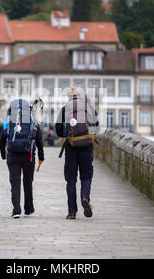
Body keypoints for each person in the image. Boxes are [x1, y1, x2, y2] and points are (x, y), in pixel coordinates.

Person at [55, 87, 99, 220]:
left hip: (71, 147)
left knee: (71, 180)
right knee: (86, 177)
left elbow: (58, 130)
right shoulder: (89, 107)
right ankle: (85, 197)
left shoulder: (65, 109)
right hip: (87, 147)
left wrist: (68, 133)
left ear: (69, 97)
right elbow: (97, 127)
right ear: (80, 96)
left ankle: (72, 212)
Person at [0, 99, 44, 219]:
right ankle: (28, 209)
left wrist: (4, 155)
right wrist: (41, 156)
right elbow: (39, 140)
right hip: (28, 155)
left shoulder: (9, 122)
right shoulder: (33, 122)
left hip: (12, 155)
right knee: (28, 182)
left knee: (15, 183)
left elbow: (1, 138)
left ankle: (16, 210)